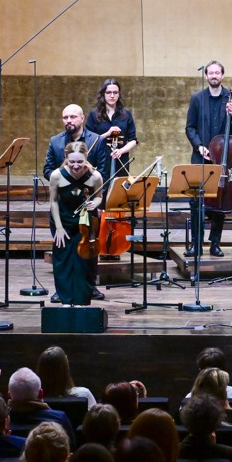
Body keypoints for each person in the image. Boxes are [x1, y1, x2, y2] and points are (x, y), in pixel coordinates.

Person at [43, 105, 106, 302]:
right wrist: (65, 180)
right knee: (62, 256)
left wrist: (96, 202)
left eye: (72, 116)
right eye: (65, 117)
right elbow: (49, 179)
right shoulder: (56, 144)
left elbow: (100, 189)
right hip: (63, 214)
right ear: (66, 159)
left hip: (85, 217)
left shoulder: (96, 144)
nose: (68, 120)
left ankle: (86, 291)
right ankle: (63, 293)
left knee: (85, 258)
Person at [184, 60, 232, 257]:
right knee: (196, 201)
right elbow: (190, 127)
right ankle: (196, 244)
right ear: (206, 75)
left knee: (220, 201)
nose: (214, 76)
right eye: (211, 73)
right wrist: (199, 146)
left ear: (222, 75)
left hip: (223, 159)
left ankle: (215, 243)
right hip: (201, 157)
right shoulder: (197, 98)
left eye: (217, 73)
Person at [84, 78, 138, 184]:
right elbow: (88, 140)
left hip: (121, 160)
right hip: (100, 160)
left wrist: (121, 151)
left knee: (119, 189)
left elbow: (133, 140)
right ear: (103, 94)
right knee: (101, 188)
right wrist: (107, 134)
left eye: (115, 92)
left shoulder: (126, 114)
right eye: (108, 92)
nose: (112, 95)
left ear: (119, 94)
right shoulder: (93, 115)